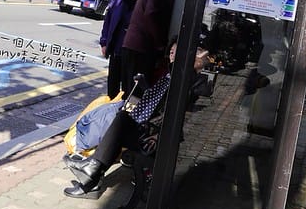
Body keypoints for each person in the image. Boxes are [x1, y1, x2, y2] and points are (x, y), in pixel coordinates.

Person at [63, 44, 210, 197]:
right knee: (121, 121)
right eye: (171, 52)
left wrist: (153, 132)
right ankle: (91, 175)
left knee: (121, 122)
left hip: (155, 137)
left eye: (176, 53)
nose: (171, 56)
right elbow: (158, 101)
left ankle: (92, 173)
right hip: (153, 129)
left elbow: (165, 111)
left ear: (187, 59)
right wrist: (145, 84)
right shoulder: (175, 76)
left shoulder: (183, 79)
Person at [122, 0, 189, 92]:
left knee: (134, 91)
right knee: (135, 92)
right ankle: (127, 112)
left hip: (138, 47)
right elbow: (151, 15)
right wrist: (160, 44)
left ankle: (129, 111)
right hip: (139, 48)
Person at [99, 0, 157, 100]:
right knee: (112, 89)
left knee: (128, 90)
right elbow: (108, 21)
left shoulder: (148, 3)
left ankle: (122, 117)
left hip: (134, 54)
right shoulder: (119, 0)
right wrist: (104, 42)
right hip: (116, 51)